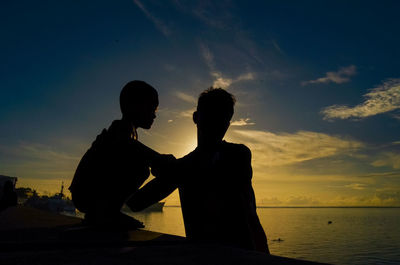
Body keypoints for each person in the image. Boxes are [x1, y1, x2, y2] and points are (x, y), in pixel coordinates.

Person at [128, 88, 269, 253]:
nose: (217, 123)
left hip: (243, 255)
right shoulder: (183, 168)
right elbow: (136, 202)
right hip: (218, 256)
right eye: (212, 116)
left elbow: (200, 168)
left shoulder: (237, 155)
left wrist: (141, 151)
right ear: (196, 117)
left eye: (222, 118)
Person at [69, 80, 171, 228]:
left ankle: (107, 212)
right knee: (140, 167)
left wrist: (156, 160)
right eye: (152, 109)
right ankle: (105, 213)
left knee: (140, 163)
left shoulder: (129, 131)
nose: (154, 116)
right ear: (135, 106)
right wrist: (158, 159)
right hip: (86, 194)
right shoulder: (121, 127)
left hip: (85, 194)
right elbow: (131, 147)